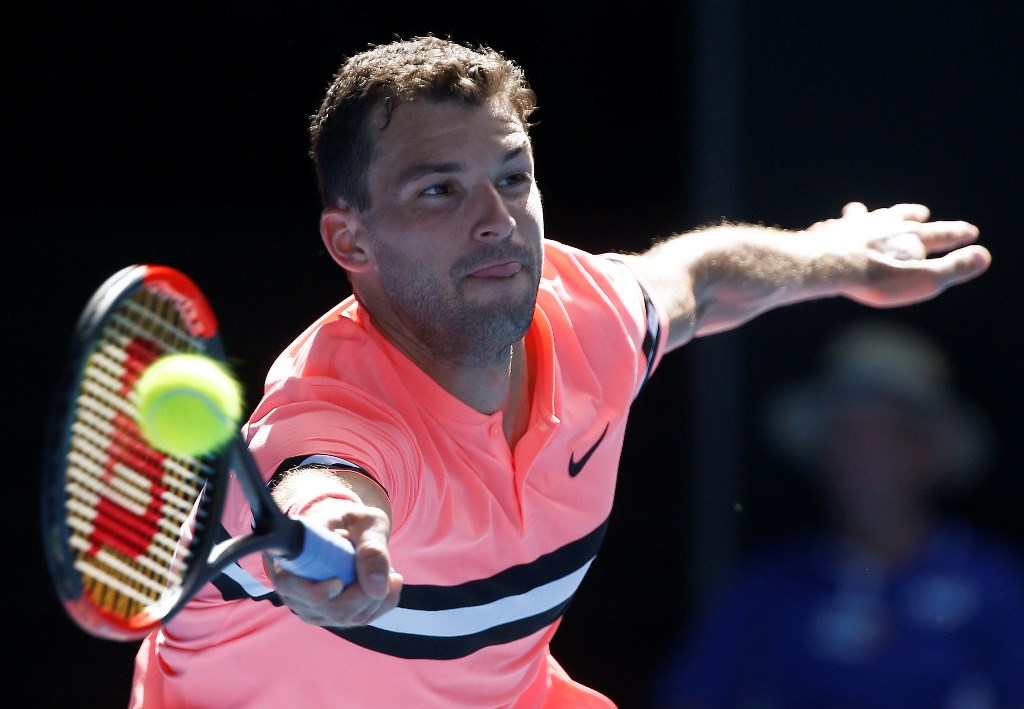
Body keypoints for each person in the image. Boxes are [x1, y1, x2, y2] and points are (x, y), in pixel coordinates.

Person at [128, 35, 992, 708]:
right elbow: (323, 482)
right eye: (440, 190)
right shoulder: (329, 416)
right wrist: (341, 531)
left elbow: (701, 280)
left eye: (513, 177)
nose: (497, 218)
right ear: (349, 240)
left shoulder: (588, 319)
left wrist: (837, 257)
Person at [650, 320, 1024, 709]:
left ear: (928, 453)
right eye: (844, 437)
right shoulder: (766, 589)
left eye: (883, 437)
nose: (860, 459)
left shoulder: (997, 587)